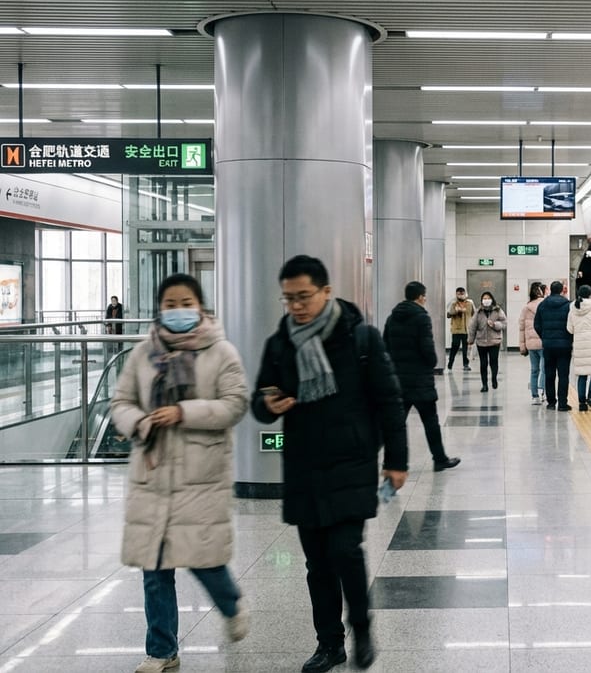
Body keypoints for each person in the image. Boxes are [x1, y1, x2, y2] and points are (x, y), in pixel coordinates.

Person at [251, 255, 408, 672]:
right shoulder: (280, 343)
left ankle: (362, 627)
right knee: (316, 563)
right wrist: (268, 405)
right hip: (303, 465)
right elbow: (260, 401)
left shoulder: (361, 339)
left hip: (351, 461)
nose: (296, 306)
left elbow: (389, 400)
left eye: (304, 296)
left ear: (325, 291)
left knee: (345, 551)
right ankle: (329, 643)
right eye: (289, 299)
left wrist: (396, 460)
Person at [111, 274, 250, 673]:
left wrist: (184, 412)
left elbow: (235, 404)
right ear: (160, 309)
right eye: (169, 304)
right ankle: (161, 651)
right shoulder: (143, 354)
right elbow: (120, 401)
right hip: (152, 476)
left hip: (199, 475)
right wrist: (139, 421)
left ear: (200, 306)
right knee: (155, 571)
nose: (177, 311)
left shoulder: (221, 353)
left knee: (202, 557)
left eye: (184, 302)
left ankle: (231, 604)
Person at [384, 281, 461, 472]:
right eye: (424, 296)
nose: (425, 299)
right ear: (420, 297)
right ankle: (440, 459)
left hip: (399, 379)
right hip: (419, 380)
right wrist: (431, 362)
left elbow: (385, 344)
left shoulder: (392, 317)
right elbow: (427, 347)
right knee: (430, 421)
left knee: (396, 423)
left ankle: (389, 462)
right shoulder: (421, 316)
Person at [567, 284, 591, 411]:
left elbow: (570, 329)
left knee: (582, 374)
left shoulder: (572, 306)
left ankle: (581, 403)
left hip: (579, 343)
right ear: (590, 294)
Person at [535, 280, 573, 411]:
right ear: (562, 290)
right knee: (563, 375)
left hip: (548, 345)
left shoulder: (542, 305)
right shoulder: (568, 305)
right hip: (564, 345)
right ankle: (562, 403)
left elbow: (537, 325)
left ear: (550, 290)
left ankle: (551, 402)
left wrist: (544, 337)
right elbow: (572, 325)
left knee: (549, 374)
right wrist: (569, 338)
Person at [467, 291, 506, 393]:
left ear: (492, 299)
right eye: (484, 298)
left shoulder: (498, 310)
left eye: (488, 298)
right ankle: (484, 385)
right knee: (483, 364)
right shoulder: (478, 311)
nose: (486, 300)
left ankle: (494, 378)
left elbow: (504, 323)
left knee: (494, 362)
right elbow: (472, 326)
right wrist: (471, 339)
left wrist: (494, 324)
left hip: (494, 341)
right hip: (481, 342)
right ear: (481, 300)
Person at [519, 282, 546, 404]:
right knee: (545, 369)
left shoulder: (526, 307)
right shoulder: (545, 305)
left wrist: (522, 346)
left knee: (534, 370)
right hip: (544, 342)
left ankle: (534, 396)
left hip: (530, 344)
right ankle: (543, 393)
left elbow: (522, 328)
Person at [446, 287, 474, 371]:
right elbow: (448, 314)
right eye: (459, 294)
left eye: (462, 293)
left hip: (467, 330)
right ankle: (450, 362)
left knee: (466, 348)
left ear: (465, 294)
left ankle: (466, 364)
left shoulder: (470, 303)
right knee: (455, 346)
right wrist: (456, 311)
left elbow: (474, 314)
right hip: (456, 330)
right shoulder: (453, 303)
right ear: (456, 294)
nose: (461, 295)